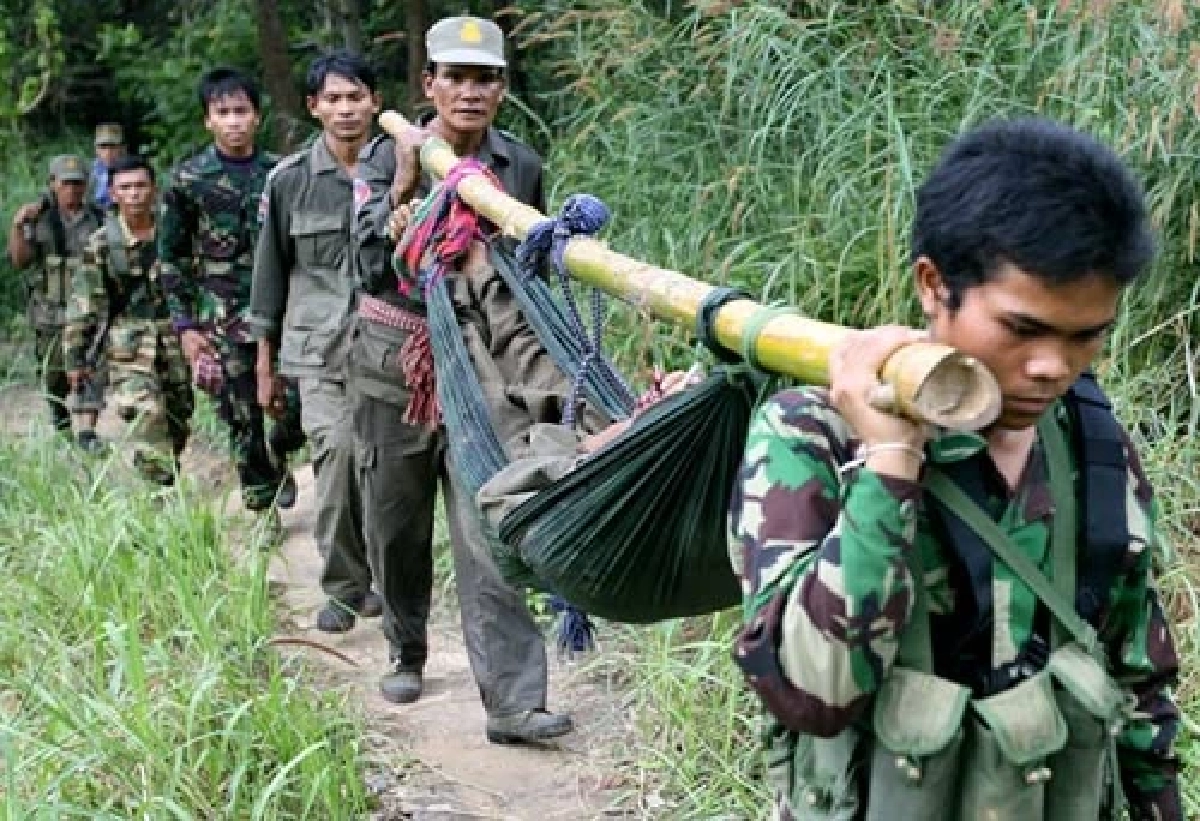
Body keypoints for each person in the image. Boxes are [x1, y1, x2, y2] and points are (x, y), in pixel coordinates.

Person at [728, 118, 1181, 819]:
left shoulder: (1092, 444)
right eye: (1022, 329)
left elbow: (1139, 681)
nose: (1053, 367)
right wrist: (890, 461)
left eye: (1086, 335)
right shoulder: (812, 433)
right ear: (934, 285)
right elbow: (814, 693)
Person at [352, 15, 568, 743]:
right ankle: (406, 645)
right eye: (457, 77)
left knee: (491, 524)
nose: (470, 92)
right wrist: (407, 183)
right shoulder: (386, 155)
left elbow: (528, 273)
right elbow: (362, 265)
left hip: (484, 372)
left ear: (502, 89)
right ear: (429, 85)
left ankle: (513, 702)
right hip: (397, 367)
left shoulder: (521, 166)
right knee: (395, 521)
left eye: (486, 79)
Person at [249, 51, 382, 632]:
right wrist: (265, 362)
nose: (346, 109)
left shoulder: (404, 169)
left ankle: (385, 577)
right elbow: (270, 273)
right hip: (317, 351)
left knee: (384, 471)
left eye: (356, 96)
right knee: (337, 456)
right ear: (314, 108)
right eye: (333, 98)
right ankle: (345, 587)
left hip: (391, 350)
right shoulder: (289, 181)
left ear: (375, 102)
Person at [159, 67, 303, 524]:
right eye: (223, 112)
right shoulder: (189, 180)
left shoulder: (282, 173)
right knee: (241, 414)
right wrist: (186, 327)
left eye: (241, 111)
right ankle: (262, 509)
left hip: (285, 311)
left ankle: (281, 453)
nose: (234, 121)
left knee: (293, 407)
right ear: (208, 120)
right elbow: (171, 257)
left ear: (257, 117)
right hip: (222, 315)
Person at [65, 155, 193, 484]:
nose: (134, 194)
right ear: (112, 193)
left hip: (176, 338)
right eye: (125, 187)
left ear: (154, 189)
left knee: (178, 416)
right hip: (129, 345)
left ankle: (168, 476)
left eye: (140, 186)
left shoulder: (176, 232)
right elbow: (84, 305)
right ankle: (159, 497)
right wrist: (75, 358)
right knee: (145, 416)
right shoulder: (103, 244)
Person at [7, 154, 105, 446]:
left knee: (91, 366)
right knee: (54, 374)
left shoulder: (99, 218)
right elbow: (20, 261)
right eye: (66, 184)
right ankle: (61, 420)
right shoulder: (39, 219)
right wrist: (18, 226)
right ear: (53, 184)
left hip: (88, 309)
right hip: (50, 310)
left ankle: (87, 430)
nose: (72, 190)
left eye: (78, 184)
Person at [90, 123, 127, 210]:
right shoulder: (89, 172)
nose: (108, 152)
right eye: (103, 147)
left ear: (122, 148)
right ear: (96, 149)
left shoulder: (130, 171)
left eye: (113, 147)